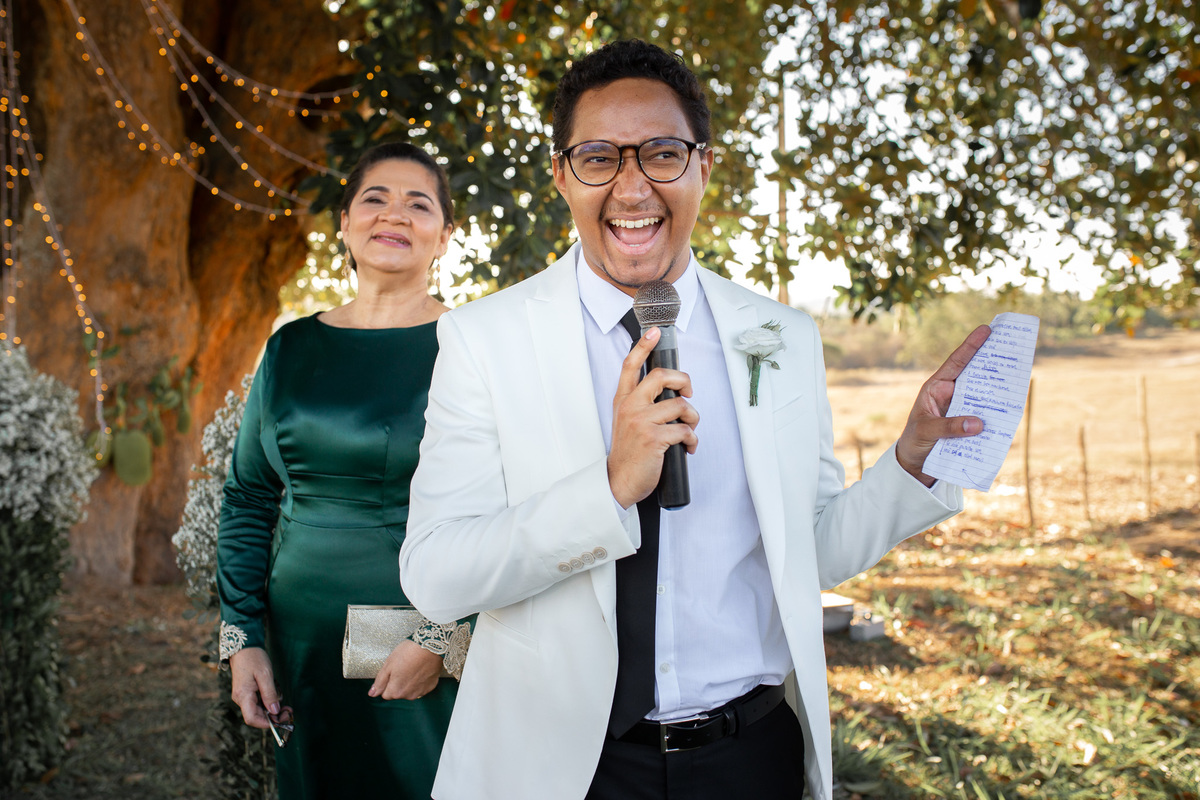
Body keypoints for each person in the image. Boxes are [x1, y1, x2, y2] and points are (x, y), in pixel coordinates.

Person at [400, 40, 989, 800]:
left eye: (662, 154)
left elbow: (808, 552)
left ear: (704, 167)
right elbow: (437, 575)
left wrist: (910, 464)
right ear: (562, 175)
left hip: (749, 756)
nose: (632, 186)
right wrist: (610, 488)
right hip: (564, 767)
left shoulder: (782, 336)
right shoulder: (485, 339)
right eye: (599, 158)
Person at [216, 141, 471, 798]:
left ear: (444, 236)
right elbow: (248, 496)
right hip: (297, 642)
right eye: (374, 198)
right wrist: (242, 637)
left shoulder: (473, 347)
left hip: (416, 641)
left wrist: (442, 639)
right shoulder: (290, 347)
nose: (394, 214)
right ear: (345, 222)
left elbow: (513, 511)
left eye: (419, 205)